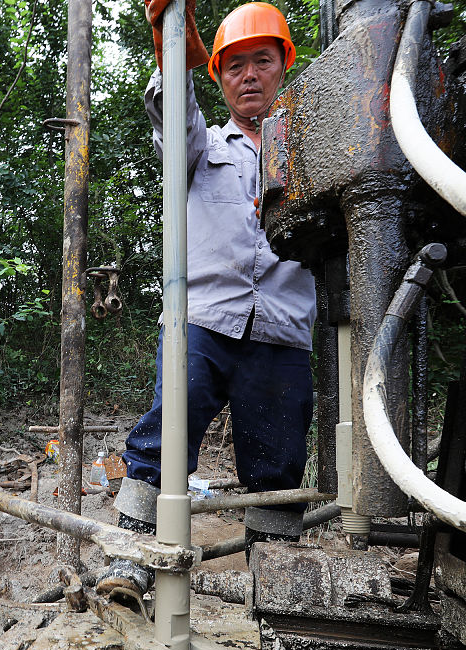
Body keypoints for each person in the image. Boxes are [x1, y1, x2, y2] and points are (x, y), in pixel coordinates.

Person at [101, 2, 316, 597]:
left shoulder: (311, 149)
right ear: (219, 78)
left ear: (284, 66)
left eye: (262, 62)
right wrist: (173, 48)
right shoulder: (201, 145)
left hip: (282, 328)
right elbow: (175, 112)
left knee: (277, 463)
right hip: (205, 321)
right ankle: (134, 560)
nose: (249, 76)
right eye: (234, 67)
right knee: (165, 434)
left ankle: (277, 585)